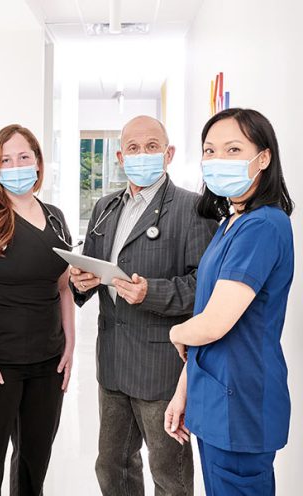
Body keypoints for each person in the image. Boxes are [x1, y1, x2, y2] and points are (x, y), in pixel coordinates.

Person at [70, 115, 218, 495]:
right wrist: (80, 282)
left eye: (152, 146)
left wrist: (149, 292)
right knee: (112, 466)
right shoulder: (105, 207)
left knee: (169, 474)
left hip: (161, 370)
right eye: (133, 148)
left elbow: (206, 287)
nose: (142, 154)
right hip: (113, 366)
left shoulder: (193, 209)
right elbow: (92, 269)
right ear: (120, 156)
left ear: (168, 153)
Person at [165, 108, 294, 496]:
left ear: (264, 158)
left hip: (241, 405)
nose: (217, 160)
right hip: (217, 397)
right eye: (210, 150)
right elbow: (206, 314)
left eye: (233, 149)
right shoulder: (231, 222)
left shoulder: (264, 225)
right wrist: (184, 391)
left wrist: (175, 330)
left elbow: (213, 323)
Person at [0, 124, 75, 496]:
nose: (17, 165)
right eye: (6, 159)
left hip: (47, 362)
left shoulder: (55, 217)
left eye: (24, 157)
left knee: (33, 464)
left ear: (38, 163)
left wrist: (69, 347)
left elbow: (64, 288)